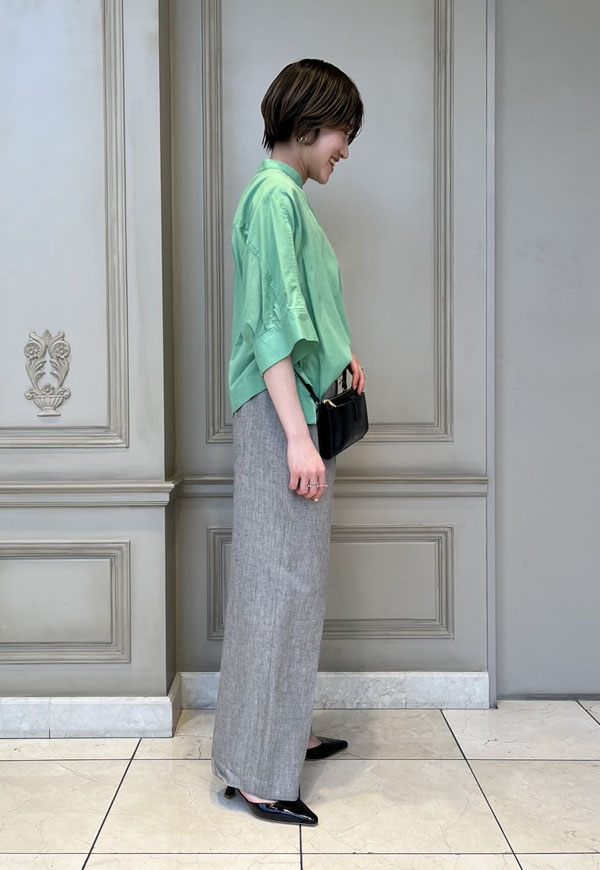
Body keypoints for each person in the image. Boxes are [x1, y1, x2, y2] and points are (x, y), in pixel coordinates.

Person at [211, 58, 366, 827]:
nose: (346, 148)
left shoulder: (284, 198)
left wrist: (343, 353)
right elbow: (271, 329)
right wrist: (298, 440)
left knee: (290, 583)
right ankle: (258, 774)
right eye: (342, 132)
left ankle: (279, 735)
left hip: (295, 407)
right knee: (277, 587)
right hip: (284, 414)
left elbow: (303, 309)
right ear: (308, 124)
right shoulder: (274, 198)